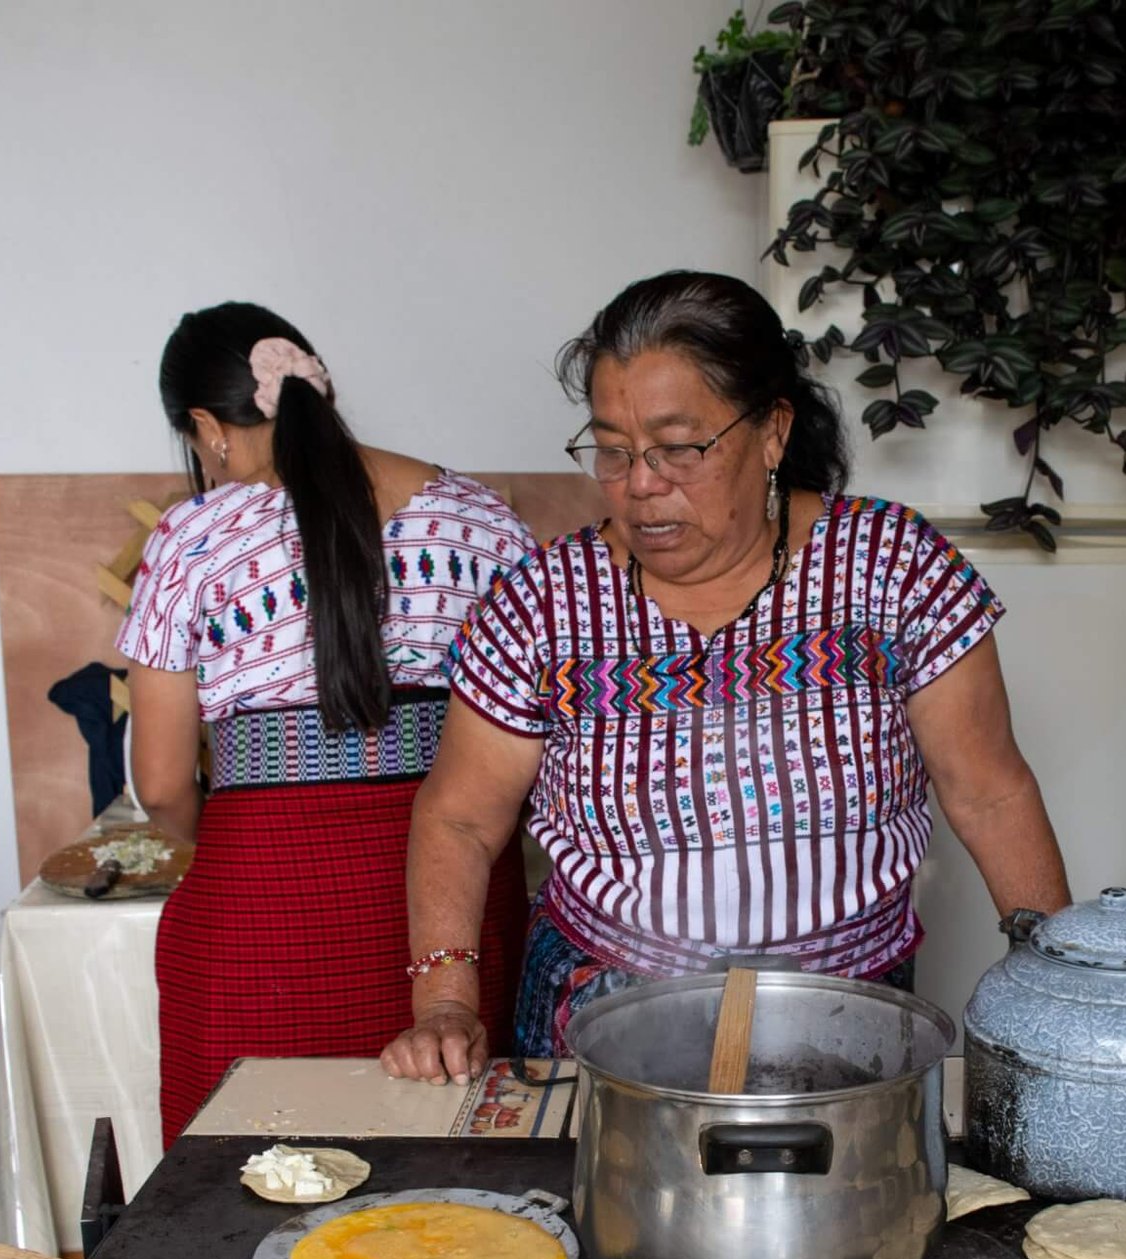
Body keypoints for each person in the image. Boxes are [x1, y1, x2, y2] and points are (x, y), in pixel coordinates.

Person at [383, 271, 1071, 1082]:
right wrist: (446, 1006)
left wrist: (1063, 988)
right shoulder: (542, 603)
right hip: (602, 1024)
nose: (640, 483)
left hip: (845, 1024)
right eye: (612, 450)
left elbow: (990, 792)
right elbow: (460, 820)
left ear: (772, 431)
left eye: (679, 449)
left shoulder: (892, 569)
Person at [120, 304, 535, 1140]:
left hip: (259, 916)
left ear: (207, 425)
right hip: (455, 918)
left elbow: (162, 785)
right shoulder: (485, 521)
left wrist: (233, 836)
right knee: (449, 1182)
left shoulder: (192, 538)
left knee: (246, 1187)